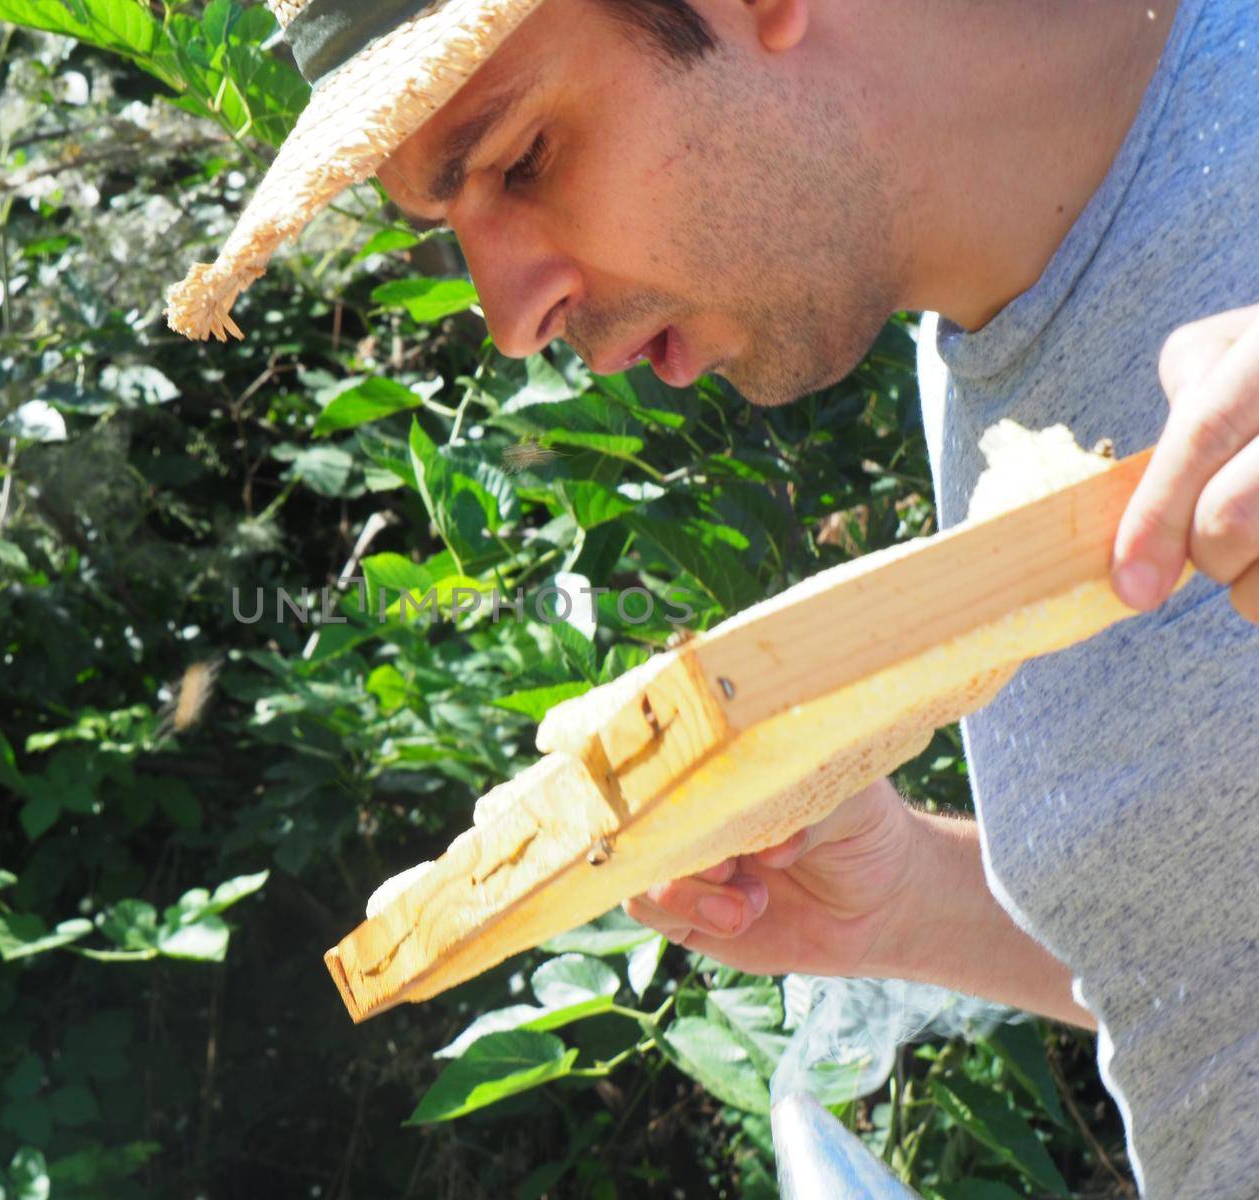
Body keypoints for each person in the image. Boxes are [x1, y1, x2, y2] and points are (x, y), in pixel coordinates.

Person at [165, 0, 1259, 1193]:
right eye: (449, 230)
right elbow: (1211, 997)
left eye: (524, 156)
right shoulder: (973, 390)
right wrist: (911, 902)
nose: (510, 318)